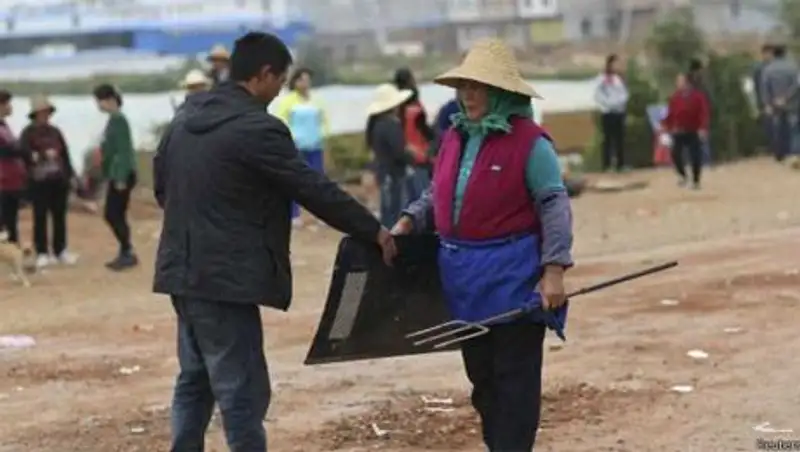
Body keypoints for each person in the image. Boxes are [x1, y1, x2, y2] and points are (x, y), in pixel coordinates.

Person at [151, 32, 397, 452]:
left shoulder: (185, 120)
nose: (278, 90)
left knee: (195, 379)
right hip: (225, 280)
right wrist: (371, 229)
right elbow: (311, 187)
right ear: (263, 75)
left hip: (181, 270)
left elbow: (161, 187)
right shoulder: (257, 128)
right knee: (241, 389)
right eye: (279, 81)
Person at [393, 38, 573, 452]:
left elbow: (554, 204)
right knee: (483, 382)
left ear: (503, 92)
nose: (468, 95)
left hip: (514, 282)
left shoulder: (532, 144)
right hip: (464, 283)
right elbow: (437, 195)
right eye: (464, 86)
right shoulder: (455, 137)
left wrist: (554, 269)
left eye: (478, 86)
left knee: (515, 385)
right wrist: (408, 220)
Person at [19, 95, 78, 267]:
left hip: (58, 180)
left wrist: (71, 176)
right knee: (40, 216)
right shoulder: (27, 133)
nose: (45, 116)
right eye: (42, 112)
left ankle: (61, 250)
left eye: (47, 112)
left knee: (59, 215)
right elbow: (24, 154)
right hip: (38, 181)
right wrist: (43, 155)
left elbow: (65, 155)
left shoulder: (55, 131)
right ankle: (42, 251)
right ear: (35, 114)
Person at [275, 67, 329, 228]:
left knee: (318, 181)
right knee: (295, 180)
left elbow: (324, 120)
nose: (305, 83)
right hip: (297, 146)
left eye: (307, 79)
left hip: (315, 145)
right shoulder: (288, 100)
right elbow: (281, 120)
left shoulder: (316, 100)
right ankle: (293, 214)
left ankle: (322, 214)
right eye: (302, 79)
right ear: (295, 82)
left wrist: (323, 137)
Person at [93, 84, 138, 270]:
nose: (98, 105)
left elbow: (123, 150)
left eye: (100, 101)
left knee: (113, 213)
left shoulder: (119, 120)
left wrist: (120, 177)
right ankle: (125, 250)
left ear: (110, 100)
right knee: (115, 213)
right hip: (116, 173)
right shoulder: (113, 120)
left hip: (122, 174)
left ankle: (127, 250)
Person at [365, 84, 414, 227]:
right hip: (394, 174)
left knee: (387, 212)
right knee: (396, 212)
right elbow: (399, 151)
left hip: (383, 173)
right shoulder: (391, 124)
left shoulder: (376, 124)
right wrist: (412, 158)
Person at [661, 73, 709, 190]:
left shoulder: (698, 96)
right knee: (675, 153)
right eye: (677, 82)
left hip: (693, 130)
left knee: (695, 155)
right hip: (679, 130)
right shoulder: (675, 97)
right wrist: (665, 125)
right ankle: (683, 175)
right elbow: (671, 114)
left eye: (681, 81)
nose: (678, 84)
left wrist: (703, 128)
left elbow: (704, 113)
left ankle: (696, 180)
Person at [394, 68, 435, 201]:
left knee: (409, 199)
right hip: (421, 157)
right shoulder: (416, 109)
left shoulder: (396, 108)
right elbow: (426, 132)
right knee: (424, 198)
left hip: (405, 156)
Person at [761, 44, 799, 162]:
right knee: (794, 129)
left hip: (774, 104)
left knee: (777, 128)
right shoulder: (793, 67)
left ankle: (779, 154)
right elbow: (797, 85)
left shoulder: (768, 69)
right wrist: (786, 98)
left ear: (774, 54)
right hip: (793, 103)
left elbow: (765, 87)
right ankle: (795, 153)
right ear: (785, 53)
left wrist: (767, 103)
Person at [593, 53, 629, 172]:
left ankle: (621, 164)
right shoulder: (602, 78)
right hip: (607, 111)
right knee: (608, 139)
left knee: (620, 138)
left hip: (619, 111)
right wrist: (608, 103)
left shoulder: (620, 78)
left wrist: (619, 102)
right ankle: (607, 165)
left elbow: (624, 93)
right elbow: (597, 94)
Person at [0, 90, 26, 245]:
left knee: (11, 218)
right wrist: (21, 149)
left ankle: (13, 248)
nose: (10, 107)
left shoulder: (4, 126)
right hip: (2, 180)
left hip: (12, 180)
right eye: (7, 104)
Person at [753, 44, 774, 150]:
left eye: (770, 53)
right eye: (766, 53)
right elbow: (755, 86)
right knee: (767, 125)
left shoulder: (774, 67)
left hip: (776, 100)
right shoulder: (758, 68)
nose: (768, 56)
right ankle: (771, 146)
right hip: (764, 100)